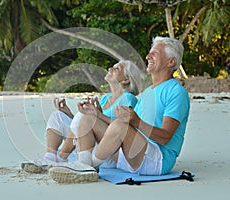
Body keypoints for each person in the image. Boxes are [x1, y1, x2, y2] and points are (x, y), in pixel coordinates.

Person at [49, 36, 190, 184]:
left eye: (155, 53)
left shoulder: (176, 92)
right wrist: (97, 114)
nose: (148, 56)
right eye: (149, 53)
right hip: (133, 152)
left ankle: (88, 165)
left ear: (171, 62)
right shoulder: (148, 91)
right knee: (88, 118)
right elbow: (126, 127)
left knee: (119, 126)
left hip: (158, 160)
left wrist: (136, 121)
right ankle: (84, 164)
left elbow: (165, 137)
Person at [21, 60, 139, 173]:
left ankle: (59, 158)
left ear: (126, 80)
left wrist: (98, 115)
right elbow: (83, 125)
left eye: (117, 68)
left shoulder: (128, 98)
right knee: (58, 116)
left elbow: (124, 129)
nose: (110, 68)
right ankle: (50, 156)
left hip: (108, 152)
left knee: (84, 115)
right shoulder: (105, 98)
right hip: (89, 145)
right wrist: (68, 113)